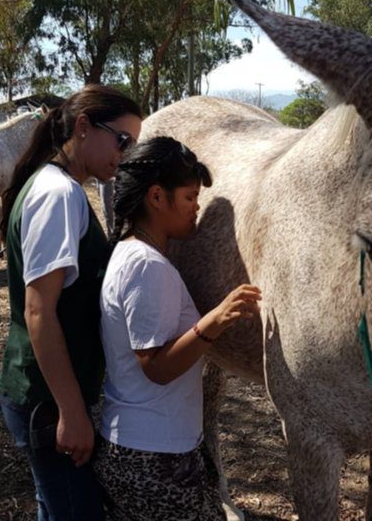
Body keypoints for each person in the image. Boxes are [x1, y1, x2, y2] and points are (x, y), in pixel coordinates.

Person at [0, 84, 142, 520]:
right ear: (83, 127)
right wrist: (72, 413)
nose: (127, 152)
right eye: (122, 139)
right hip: (47, 399)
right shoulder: (57, 195)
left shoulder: (60, 186)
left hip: (46, 393)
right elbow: (39, 311)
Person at [94, 137, 261, 521]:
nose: (196, 209)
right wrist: (212, 323)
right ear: (156, 197)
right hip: (151, 457)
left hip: (144, 447)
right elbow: (156, 367)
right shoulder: (146, 267)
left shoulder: (130, 252)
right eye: (188, 197)